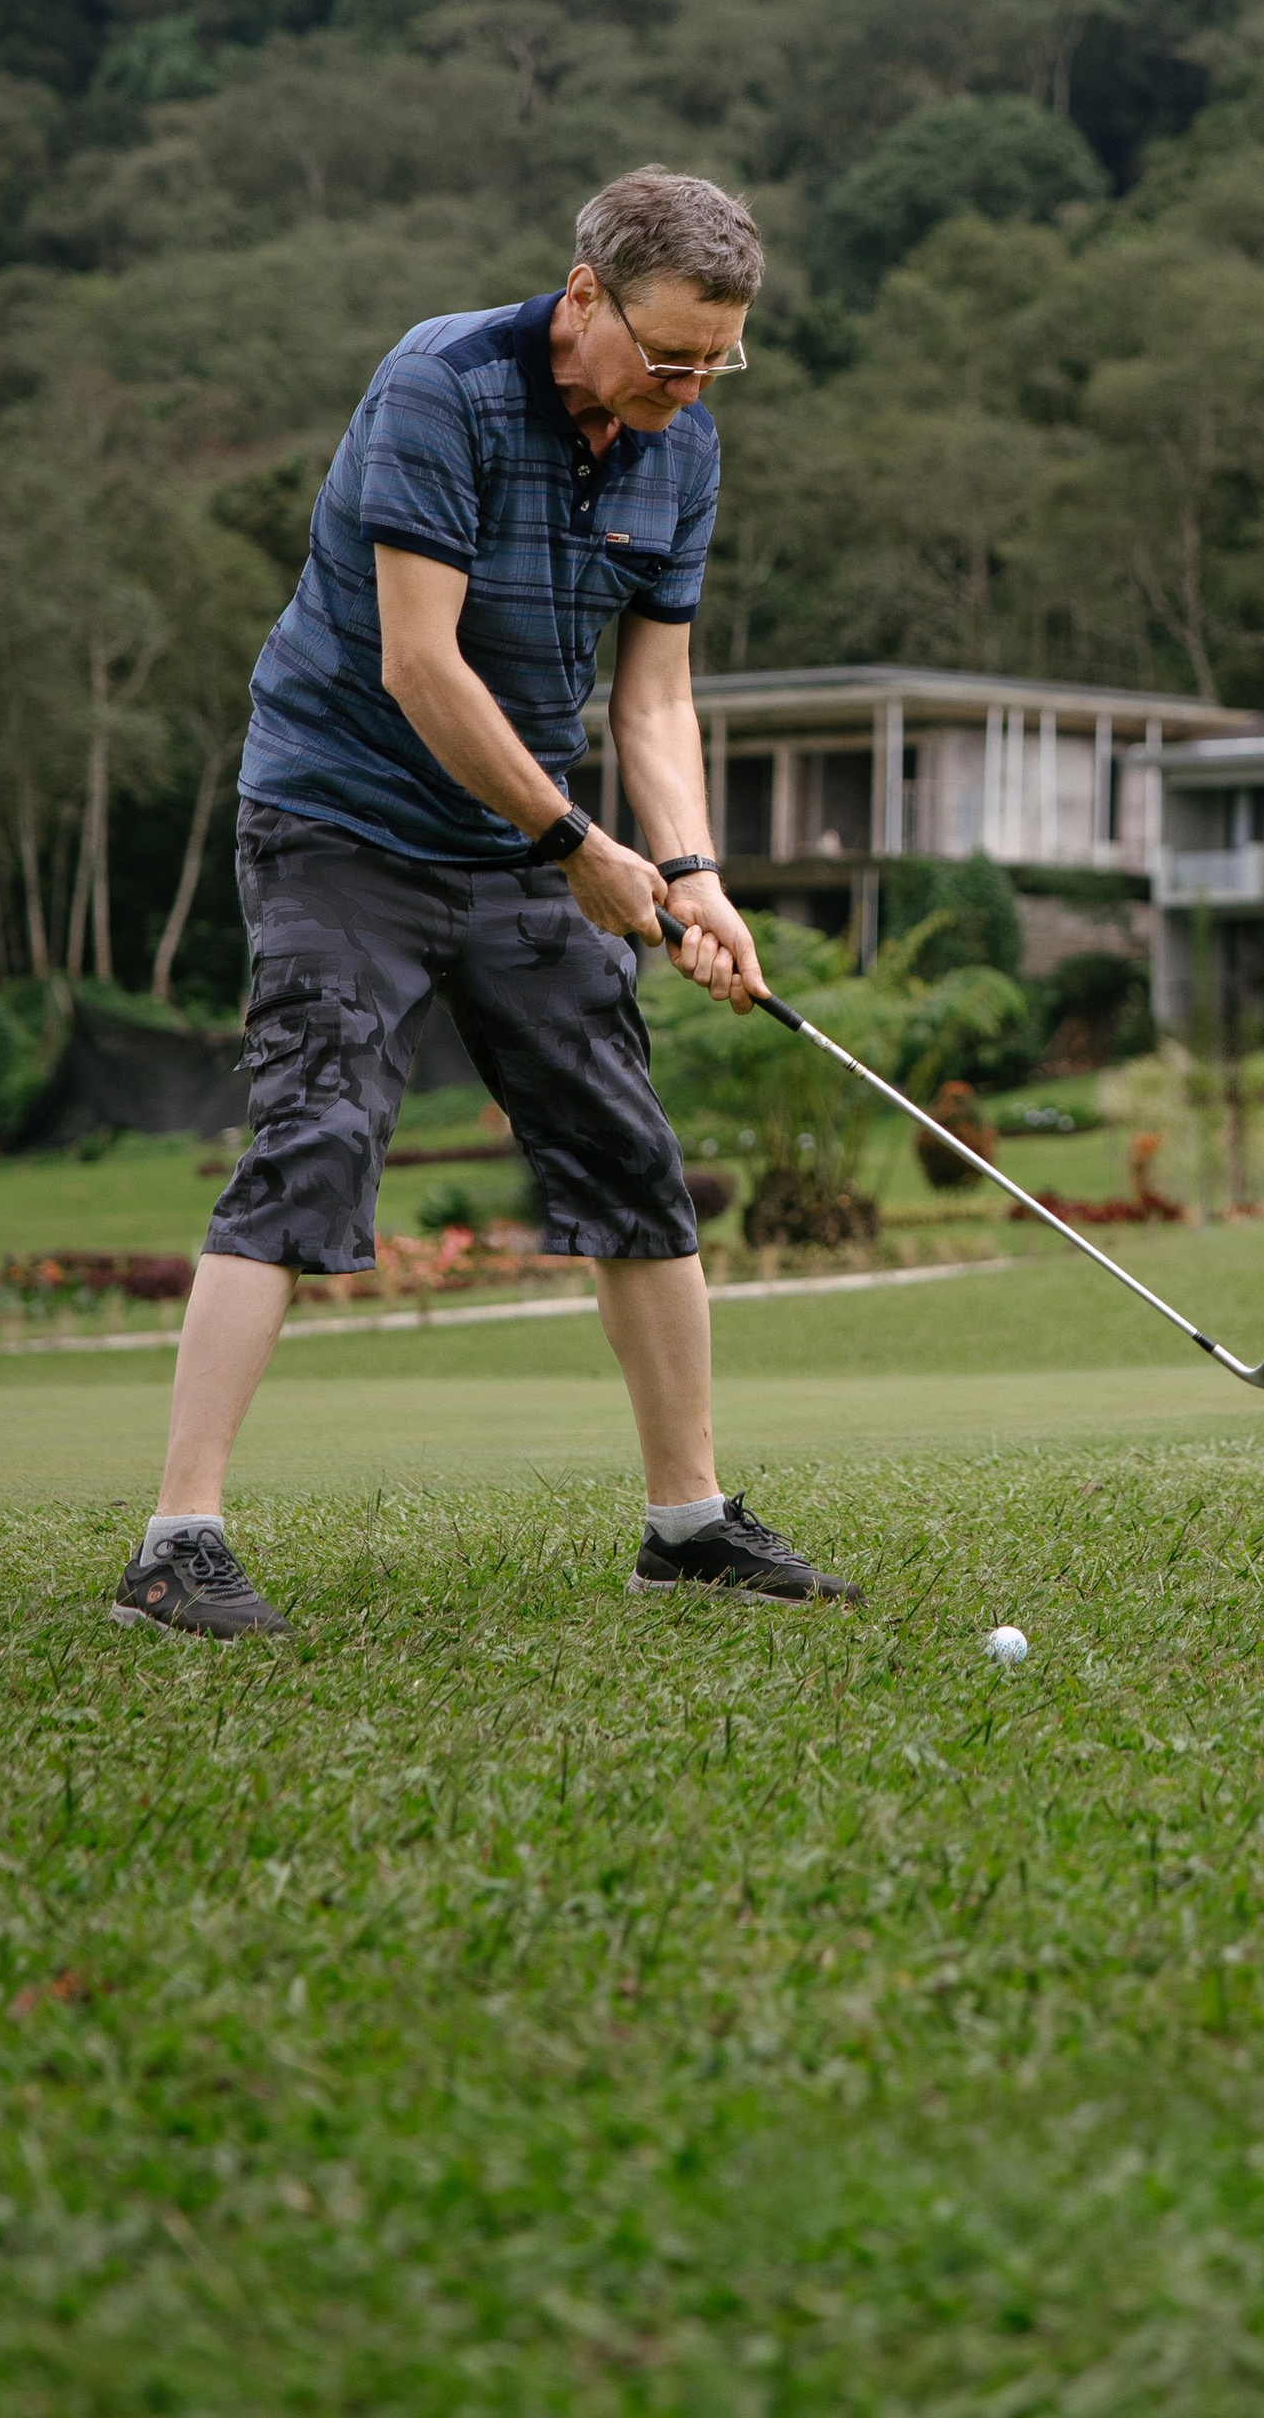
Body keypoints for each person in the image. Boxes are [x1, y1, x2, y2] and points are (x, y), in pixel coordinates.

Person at [109, 165, 855, 1636]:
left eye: (721, 360)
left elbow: (656, 695)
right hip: (346, 823)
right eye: (669, 355)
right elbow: (420, 666)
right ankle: (173, 1542)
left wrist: (693, 872)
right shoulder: (438, 386)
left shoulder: (678, 448)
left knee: (628, 1152)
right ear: (585, 299)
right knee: (314, 1137)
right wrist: (581, 841)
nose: (694, 387)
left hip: (525, 843)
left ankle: (686, 1521)